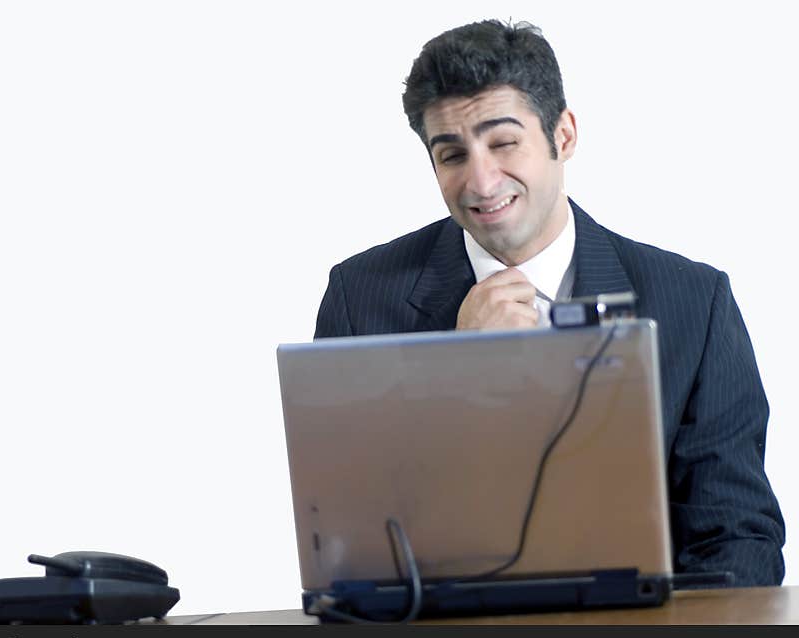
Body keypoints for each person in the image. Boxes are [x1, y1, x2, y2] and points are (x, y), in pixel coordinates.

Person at [313, 19, 785, 586]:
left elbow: (735, 540)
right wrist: (452, 378)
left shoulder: (694, 302)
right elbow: (342, 546)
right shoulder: (358, 299)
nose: (482, 182)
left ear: (563, 136)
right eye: (452, 154)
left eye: (504, 142)